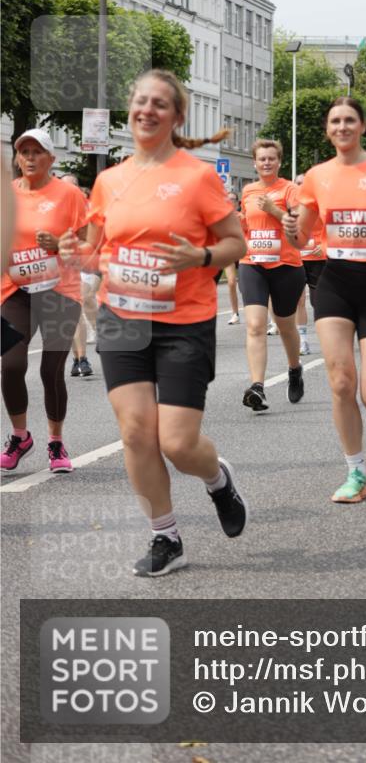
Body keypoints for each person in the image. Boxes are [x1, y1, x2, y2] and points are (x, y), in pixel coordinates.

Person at [59, 69, 248, 576]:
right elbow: (95, 252)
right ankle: (166, 537)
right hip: (123, 317)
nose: (146, 110)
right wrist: (73, 254)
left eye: (159, 104)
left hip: (184, 320)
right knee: (137, 431)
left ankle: (218, 480)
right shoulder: (110, 180)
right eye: (140, 101)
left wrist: (201, 256)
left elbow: (236, 243)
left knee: (178, 443)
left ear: (176, 116)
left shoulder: (197, 176)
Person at [283, 97, 366, 504]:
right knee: (341, 382)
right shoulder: (316, 176)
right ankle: (355, 473)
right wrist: (290, 227)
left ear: (362, 125)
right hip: (335, 280)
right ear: (328, 129)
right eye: (335, 121)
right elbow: (302, 239)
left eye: (349, 120)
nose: (342, 127)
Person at [1, 129, 87, 474]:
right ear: (17, 158)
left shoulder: (69, 195)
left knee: (50, 370)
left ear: (51, 158)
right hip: (14, 291)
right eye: (24, 152)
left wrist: (58, 244)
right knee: (10, 365)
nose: (30, 158)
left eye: (37, 152)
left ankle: (56, 441)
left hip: (60, 291)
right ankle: (20, 436)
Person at [238, 139, 306, 412]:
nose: (266, 162)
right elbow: (248, 224)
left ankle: (294, 368)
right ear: (254, 162)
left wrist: (274, 210)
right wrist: (238, 223)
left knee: (285, 326)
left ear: (279, 162)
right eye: (261, 159)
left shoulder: (291, 189)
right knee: (255, 325)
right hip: (252, 262)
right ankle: (258, 387)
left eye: (271, 158)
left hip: (286, 265)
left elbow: (298, 226)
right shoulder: (247, 190)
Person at [59, 174, 96, 377]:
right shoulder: (49, 207)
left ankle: (81, 359)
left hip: (84, 265)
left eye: (71, 186)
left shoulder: (87, 208)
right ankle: (77, 358)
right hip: (56, 268)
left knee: (80, 306)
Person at [294, 173, 326, 357]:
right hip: (297, 259)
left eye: (304, 183)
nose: (301, 186)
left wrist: (323, 246)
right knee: (299, 300)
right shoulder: (291, 206)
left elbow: (331, 228)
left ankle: (327, 336)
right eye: (298, 183)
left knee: (318, 302)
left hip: (318, 260)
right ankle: (303, 341)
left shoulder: (320, 205)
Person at [224, 189, 242, 325]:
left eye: (233, 199)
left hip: (243, 253)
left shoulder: (242, 216)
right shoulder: (221, 217)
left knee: (245, 287)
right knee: (231, 282)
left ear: (237, 203)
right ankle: (235, 313)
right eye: (228, 199)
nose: (230, 202)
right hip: (229, 253)